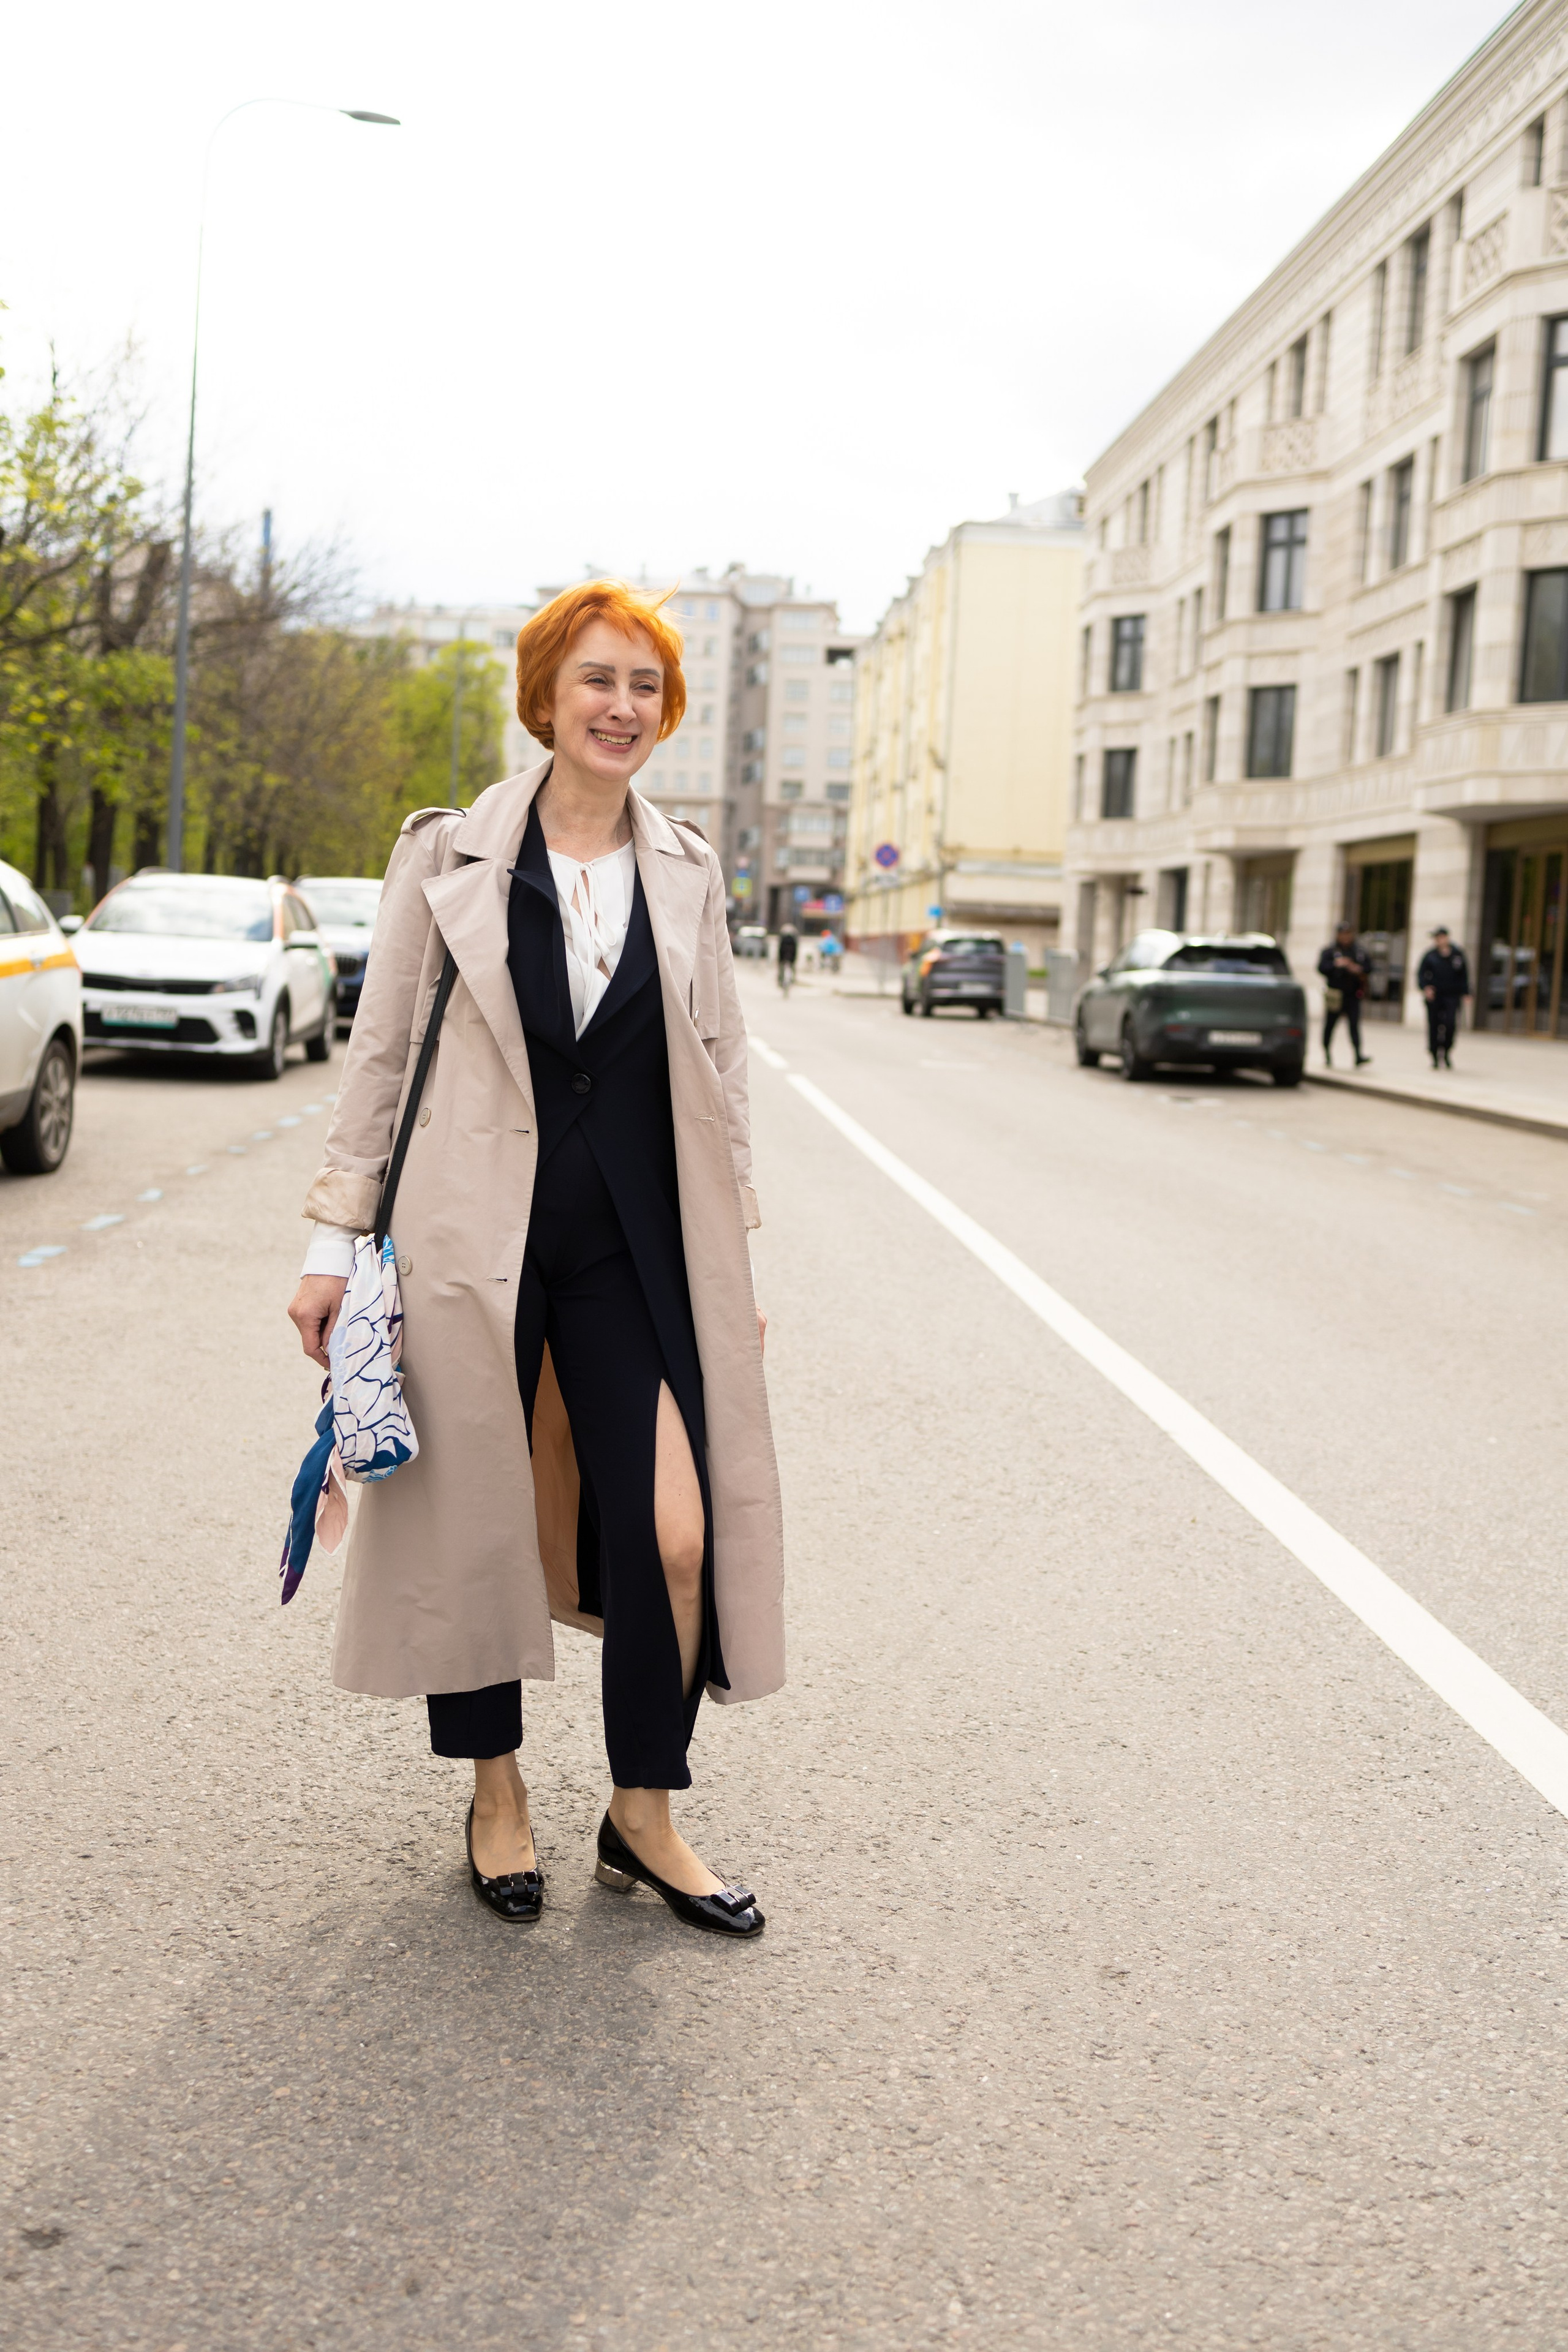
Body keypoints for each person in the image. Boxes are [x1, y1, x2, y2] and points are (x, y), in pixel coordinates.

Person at [287, 581, 783, 1939]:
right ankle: (494, 1790)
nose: (622, 707)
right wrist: (334, 1244)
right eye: (598, 681)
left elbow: (722, 1079)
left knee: (678, 1536)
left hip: (641, 1248)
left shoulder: (684, 869)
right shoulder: (448, 853)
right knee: (475, 1526)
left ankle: (643, 1809)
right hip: (470, 1242)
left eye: (644, 687)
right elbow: (380, 1054)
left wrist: (736, 1271)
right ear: (546, 697)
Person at [1317, 922, 1372, 1069]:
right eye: (1343, 934)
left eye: (1348, 934)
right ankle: (1327, 1053)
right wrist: (1337, 964)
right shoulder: (1330, 951)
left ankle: (1358, 1055)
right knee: (1330, 1025)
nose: (1346, 937)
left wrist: (1356, 969)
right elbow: (1321, 967)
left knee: (1354, 1025)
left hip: (1353, 995)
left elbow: (1369, 968)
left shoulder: (1358, 951)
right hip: (1335, 994)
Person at [1418, 925, 1472, 1069]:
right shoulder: (1430, 955)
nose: (1438, 941)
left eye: (1440, 938)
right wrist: (1425, 988)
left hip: (1452, 996)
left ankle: (1447, 1051)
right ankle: (1434, 1055)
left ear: (1446, 938)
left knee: (1450, 1025)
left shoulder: (1457, 955)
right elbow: (1421, 974)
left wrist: (1467, 992)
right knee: (1434, 1026)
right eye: (1436, 938)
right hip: (1435, 997)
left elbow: (1464, 975)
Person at [775, 924, 798, 993]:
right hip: (791, 956)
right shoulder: (794, 939)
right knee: (792, 968)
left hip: (784, 956)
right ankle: (792, 980)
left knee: (782, 968)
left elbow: (780, 950)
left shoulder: (783, 939)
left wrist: (779, 960)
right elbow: (796, 950)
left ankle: (780, 980)